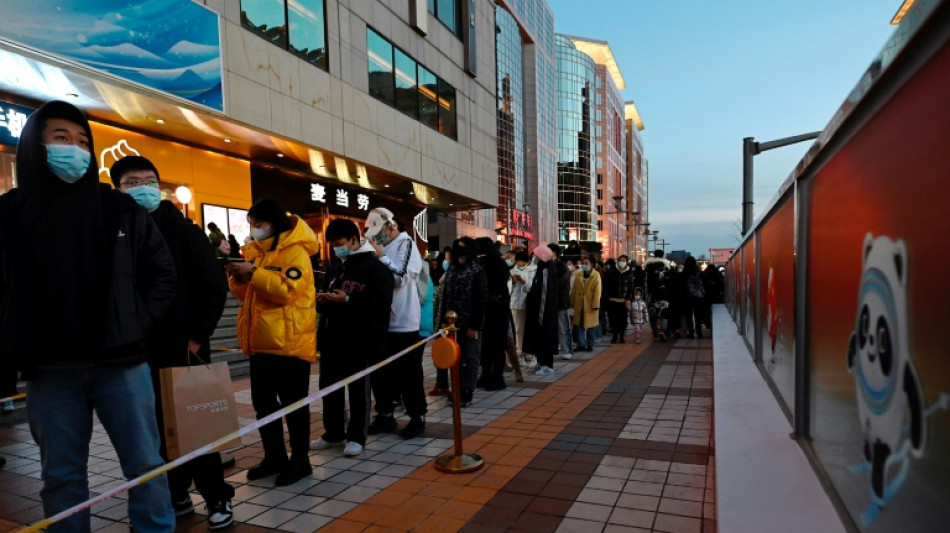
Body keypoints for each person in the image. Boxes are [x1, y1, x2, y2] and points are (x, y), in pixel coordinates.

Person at [0, 101, 176, 532]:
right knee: (61, 478)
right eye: (61, 139)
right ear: (34, 146)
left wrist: (136, 321)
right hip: (50, 370)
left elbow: (162, 272)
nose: (75, 149)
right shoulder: (8, 214)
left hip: (122, 365)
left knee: (146, 467)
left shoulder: (119, 209)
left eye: (83, 141)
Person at [111, 155, 234, 529]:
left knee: (197, 425)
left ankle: (216, 496)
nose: (144, 188)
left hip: (183, 347)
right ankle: (176, 493)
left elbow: (213, 286)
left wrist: (197, 335)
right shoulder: (114, 229)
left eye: (150, 181)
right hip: (136, 350)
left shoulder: (184, 230)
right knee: (153, 431)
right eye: (133, 182)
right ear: (117, 188)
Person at [226, 199, 318, 486]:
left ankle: (300, 461)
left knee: (294, 405)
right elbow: (252, 297)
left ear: (275, 224)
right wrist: (239, 279)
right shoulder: (260, 255)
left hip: (290, 344)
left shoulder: (295, 253)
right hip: (262, 343)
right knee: (263, 404)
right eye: (252, 225)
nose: (255, 231)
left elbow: (286, 292)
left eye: (259, 225)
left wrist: (252, 273)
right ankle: (274, 456)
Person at [310, 219, 393, 457]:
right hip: (332, 338)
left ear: (355, 240)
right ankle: (333, 432)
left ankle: (357, 436)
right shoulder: (337, 266)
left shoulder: (375, 268)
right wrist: (323, 301)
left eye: (340, 243)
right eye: (333, 245)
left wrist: (348, 300)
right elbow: (328, 296)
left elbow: (381, 305)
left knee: (358, 390)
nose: (336, 249)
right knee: (329, 388)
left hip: (362, 341)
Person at [363, 209, 427, 439]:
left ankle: (417, 416)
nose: (376, 237)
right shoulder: (379, 247)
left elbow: (401, 277)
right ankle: (385, 415)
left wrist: (380, 257)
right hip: (380, 322)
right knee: (380, 374)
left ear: (391, 226)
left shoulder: (405, 243)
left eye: (379, 231)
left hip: (403, 323)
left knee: (409, 374)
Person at [437, 237, 487, 407]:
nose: (460, 250)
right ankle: (457, 390)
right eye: (458, 247)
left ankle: (467, 392)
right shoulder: (452, 269)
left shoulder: (477, 270)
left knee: (471, 358)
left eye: (464, 248)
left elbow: (481, 300)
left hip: (470, 321)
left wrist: (475, 326)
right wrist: (444, 320)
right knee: (455, 357)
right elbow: (446, 296)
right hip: (452, 322)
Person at [475, 236, 511, 391]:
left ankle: (497, 377)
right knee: (486, 346)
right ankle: (486, 376)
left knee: (497, 346)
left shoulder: (497, 265)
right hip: (489, 310)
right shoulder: (486, 263)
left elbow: (498, 287)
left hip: (498, 310)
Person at [522, 245, 560, 375]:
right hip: (537, 311)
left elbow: (545, 294)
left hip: (544, 313)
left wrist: (541, 314)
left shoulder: (547, 270)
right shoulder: (541, 269)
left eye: (536, 255)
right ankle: (540, 362)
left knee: (545, 337)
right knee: (538, 337)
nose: (534, 257)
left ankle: (548, 365)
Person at [429, 249, 452, 396]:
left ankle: (456, 387)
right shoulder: (442, 276)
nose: (446, 262)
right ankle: (441, 384)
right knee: (441, 354)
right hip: (440, 322)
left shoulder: (456, 275)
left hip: (452, 323)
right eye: (445, 258)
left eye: (448, 259)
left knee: (453, 354)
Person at [547, 244, 574, 361]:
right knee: (552, 328)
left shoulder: (562, 267)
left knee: (563, 327)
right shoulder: (546, 265)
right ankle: (555, 347)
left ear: (556, 253)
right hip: (549, 302)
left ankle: (567, 350)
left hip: (560, 302)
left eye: (550, 252)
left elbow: (560, 285)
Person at [572, 256, 602, 352]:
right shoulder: (579, 274)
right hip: (579, 303)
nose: (584, 265)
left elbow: (597, 291)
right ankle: (581, 344)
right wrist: (572, 301)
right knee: (579, 325)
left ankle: (590, 344)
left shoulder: (596, 275)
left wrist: (596, 304)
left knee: (591, 325)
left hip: (590, 304)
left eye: (586, 263)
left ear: (592, 264)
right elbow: (574, 289)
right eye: (583, 263)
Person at [508, 251, 535, 358]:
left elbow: (531, 287)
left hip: (527, 303)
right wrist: (513, 282)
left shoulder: (532, 270)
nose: (521, 264)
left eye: (523, 262)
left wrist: (523, 281)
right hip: (514, 303)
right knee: (517, 328)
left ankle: (527, 349)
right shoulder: (512, 271)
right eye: (519, 262)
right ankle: (519, 348)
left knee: (526, 328)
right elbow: (509, 288)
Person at [644, 250, 673, 341]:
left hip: (652, 293)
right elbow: (669, 282)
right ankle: (663, 330)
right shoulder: (666, 267)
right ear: (662, 256)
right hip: (664, 293)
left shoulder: (648, 267)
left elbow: (645, 281)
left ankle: (655, 331)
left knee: (652, 313)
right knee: (664, 312)